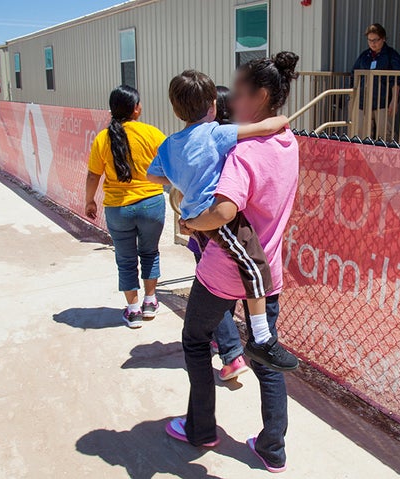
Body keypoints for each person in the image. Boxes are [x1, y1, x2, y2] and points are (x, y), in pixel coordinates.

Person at [164, 51, 300, 473]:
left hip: (222, 273)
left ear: (259, 96)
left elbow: (223, 213)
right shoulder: (288, 142)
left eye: (238, 94)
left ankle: (201, 429)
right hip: (267, 274)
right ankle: (272, 447)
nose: (230, 104)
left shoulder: (242, 154)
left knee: (194, 342)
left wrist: (189, 219)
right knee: (265, 354)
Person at [147, 70, 298, 372]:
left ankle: (242, 343)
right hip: (217, 218)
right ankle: (261, 337)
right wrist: (282, 121)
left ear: (175, 110)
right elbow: (259, 128)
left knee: (239, 264)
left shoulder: (168, 144)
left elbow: (151, 175)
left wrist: (180, 178)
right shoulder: (214, 133)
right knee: (254, 264)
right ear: (213, 106)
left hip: (193, 214)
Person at [85, 85, 166, 329]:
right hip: (151, 204)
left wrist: (89, 200)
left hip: (118, 208)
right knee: (150, 253)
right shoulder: (152, 133)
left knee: (126, 258)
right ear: (136, 109)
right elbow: (171, 163)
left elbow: (92, 175)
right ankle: (150, 302)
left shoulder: (102, 138)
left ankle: (133, 311)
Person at [186, 85, 249, 382]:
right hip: (239, 236)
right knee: (227, 292)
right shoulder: (237, 143)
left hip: (208, 229)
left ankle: (231, 353)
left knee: (213, 289)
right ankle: (229, 346)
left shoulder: (209, 145)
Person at [352, 23, 400, 141]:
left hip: (383, 101)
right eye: (369, 40)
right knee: (362, 134)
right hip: (364, 101)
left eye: (375, 40)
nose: (373, 43)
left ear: (383, 38)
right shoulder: (364, 55)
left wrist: (394, 100)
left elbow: (397, 78)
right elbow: (354, 74)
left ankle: (388, 158)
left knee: (386, 134)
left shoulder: (391, 55)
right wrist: (353, 98)